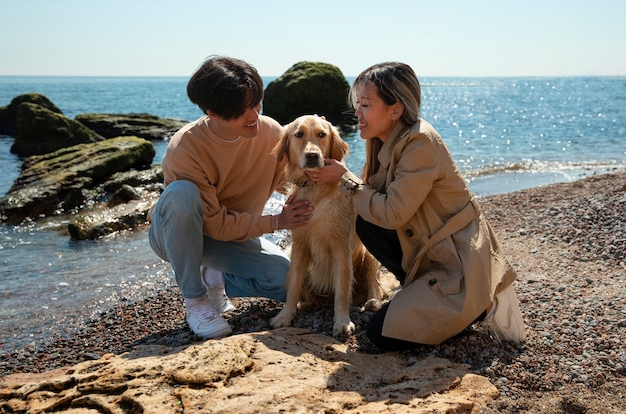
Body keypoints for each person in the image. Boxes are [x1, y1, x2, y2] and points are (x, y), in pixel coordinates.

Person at [310, 62, 526, 350]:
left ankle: (476, 307)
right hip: (430, 254)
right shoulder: (384, 139)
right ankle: (418, 292)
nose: (357, 113)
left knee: (378, 334)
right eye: (357, 104)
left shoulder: (420, 142)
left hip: (457, 265)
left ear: (395, 109)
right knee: (366, 223)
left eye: (364, 105)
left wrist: (345, 179)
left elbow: (391, 212)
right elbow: (366, 199)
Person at [148, 56, 313, 338]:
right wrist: (276, 222)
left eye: (256, 103)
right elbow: (215, 225)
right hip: (182, 236)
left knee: (295, 284)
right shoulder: (185, 149)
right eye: (241, 111)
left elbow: (291, 182)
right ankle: (195, 300)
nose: (253, 116)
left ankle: (215, 277)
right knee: (181, 194)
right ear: (212, 113)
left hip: (236, 237)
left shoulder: (271, 132)